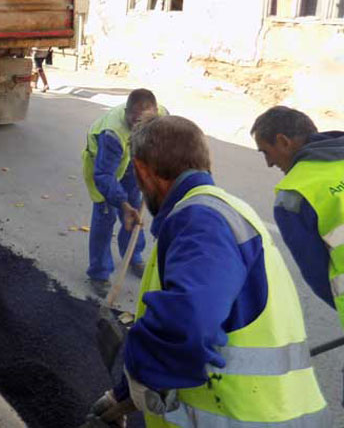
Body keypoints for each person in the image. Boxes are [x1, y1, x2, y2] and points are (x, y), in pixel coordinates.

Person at [89, 115, 328, 427]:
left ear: (141, 170)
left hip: (245, 418)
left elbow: (187, 323)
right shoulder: (220, 210)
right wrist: (120, 396)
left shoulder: (200, 221)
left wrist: (139, 373)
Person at [251, 106, 344, 326]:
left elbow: (317, 275)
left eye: (266, 151)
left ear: (283, 141)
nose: (269, 163)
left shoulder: (293, 196)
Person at [82, 89, 166, 297]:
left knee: (135, 211)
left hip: (133, 161)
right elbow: (104, 176)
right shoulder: (112, 133)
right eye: (134, 119)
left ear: (155, 112)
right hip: (104, 166)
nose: (138, 125)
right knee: (105, 216)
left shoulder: (162, 117)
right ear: (126, 111)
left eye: (143, 121)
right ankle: (99, 273)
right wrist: (122, 203)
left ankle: (133, 256)